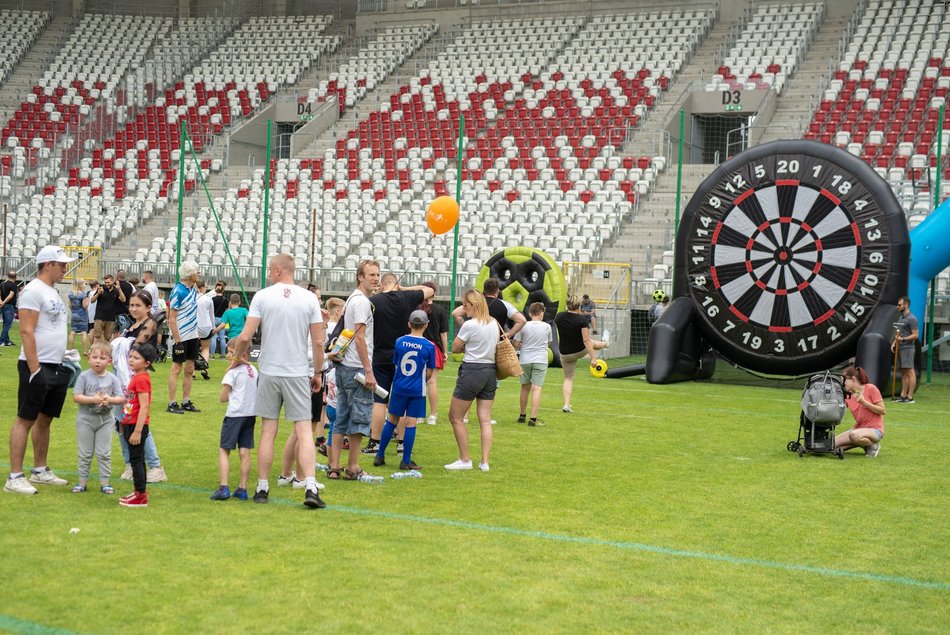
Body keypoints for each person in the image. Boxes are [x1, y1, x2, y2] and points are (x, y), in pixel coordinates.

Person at [230, 253, 326, 509]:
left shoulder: (263, 296)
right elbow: (318, 341)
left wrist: (237, 357)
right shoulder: (308, 298)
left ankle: (262, 486)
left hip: (270, 371)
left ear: (275, 271)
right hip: (297, 372)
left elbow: (245, 336)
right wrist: (317, 372)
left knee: (268, 432)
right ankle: (310, 486)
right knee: (305, 432)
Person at [5, 246, 75, 495]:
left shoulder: (51, 291)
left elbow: (52, 328)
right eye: (61, 264)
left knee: (45, 420)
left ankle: (40, 470)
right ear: (48, 265)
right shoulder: (33, 290)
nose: (65, 268)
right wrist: (35, 370)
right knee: (25, 419)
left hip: (55, 365)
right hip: (36, 366)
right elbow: (26, 330)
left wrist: (64, 354)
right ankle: (14, 477)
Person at [362, 272, 434, 456]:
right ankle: (401, 442)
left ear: (382, 283)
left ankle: (375, 442)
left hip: (380, 355)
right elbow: (429, 290)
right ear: (397, 283)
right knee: (400, 399)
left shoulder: (375, 300)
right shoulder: (407, 296)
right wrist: (404, 289)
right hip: (402, 355)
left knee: (379, 400)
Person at [327, 259, 379, 481]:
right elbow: (360, 337)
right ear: (360, 276)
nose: (375, 279)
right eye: (371, 275)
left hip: (344, 365)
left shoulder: (352, 299)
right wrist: (368, 370)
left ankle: (334, 466)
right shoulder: (362, 302)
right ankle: (353, 466)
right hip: (356, 366)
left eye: (377, 275)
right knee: (359, 419)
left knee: (342, 416)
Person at [114, 291, 166, 484]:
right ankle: (129, 463)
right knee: (121, 422)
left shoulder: (149, 325)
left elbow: (135, 348)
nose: (134, 309)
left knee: (138, 422)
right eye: (131, 305)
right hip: (121, 381)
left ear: (147, 308)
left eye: (138, 306)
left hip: (137, 382)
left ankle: (155, 466)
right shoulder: (130, 326)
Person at [374, 310, 436, 470]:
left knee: (392, 420)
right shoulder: (429, 346)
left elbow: (396, 363)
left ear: (409, 324)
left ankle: (380, 455)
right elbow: (429, 371)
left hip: (399, 387)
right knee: (410, 422)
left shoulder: (400, 341)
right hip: (416, 389)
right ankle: (406, 460)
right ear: (426, 325)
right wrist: (421, 380)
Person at [445, 290, 499, 472]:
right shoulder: (493, 323)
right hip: (490, 372)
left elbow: (456, 348)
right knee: (485, 419)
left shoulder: (470, 325)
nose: (463, 308)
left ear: (474, 305)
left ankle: (465, 459)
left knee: (455, 417)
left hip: (472, 371)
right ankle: (484, 462)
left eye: (466, 304)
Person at [71, 341, 125, 495]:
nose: (97, 361)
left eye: (102, 358)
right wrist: (92, 399)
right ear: (88, 359)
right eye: (94, 357)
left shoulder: (113, 378)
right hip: (85, 419)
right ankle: (82, 482)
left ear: (109, 361)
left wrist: (109, 400)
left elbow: (121, 398)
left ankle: (105, 483)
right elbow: (76, 396)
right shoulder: (84, 376)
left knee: (104, 453)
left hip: (106, 420)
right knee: (85, 452)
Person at [211, 340, 258, 501]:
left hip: (234, 415)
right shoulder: (253, 369)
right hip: (250, 414)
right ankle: (242, 488)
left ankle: (223, 487)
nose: (229, 355)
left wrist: (226, 385)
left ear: (242, 355)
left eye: (232, 352)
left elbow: (222, 398)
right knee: (245, 452)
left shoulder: (232, 373)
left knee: (224, 449)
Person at [118, 343, 158, 507]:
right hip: (130, 423)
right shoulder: (136, 376)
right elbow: (130, 401)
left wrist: (137, 431)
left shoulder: (141, 379)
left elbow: (144, 406)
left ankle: (140, 496)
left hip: (136, 426)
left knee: (136, 461)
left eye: (136, 358)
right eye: (131, 357)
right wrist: (123, 418)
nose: (131, 360)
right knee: (137, 460)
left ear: (146, 363)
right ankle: (137, 492)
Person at [555, 294, 609, 413]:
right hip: (579, 350)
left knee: (568, 378)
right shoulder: (582, 320)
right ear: (579, 306)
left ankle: (566, 404)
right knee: (593, 343)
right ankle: (605, 343)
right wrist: (593, 358)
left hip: (564, 353)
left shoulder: (558, 317)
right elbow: (586, 340)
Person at [166, 261, 201, 414]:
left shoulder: (193, 290)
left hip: (193, 335)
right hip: (181, 336)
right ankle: (172, 403)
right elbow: (171, 318)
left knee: (190, 368)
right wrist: (177, 340)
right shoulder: (178, 291)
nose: (198, 274)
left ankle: (186, 401)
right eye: (197, 272)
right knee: (176, 368)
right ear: (190, 274)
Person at [514, 302, 553, 427]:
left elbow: (516, 343)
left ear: (530, 313)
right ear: (542, 313)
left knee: (524, 388)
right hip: (540, 360)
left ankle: (522, 415)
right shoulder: (547, 326)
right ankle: (533, 419)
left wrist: (522, 344)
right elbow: (549, 343)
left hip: (525, 359)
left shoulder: (524, 326)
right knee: (536, 389)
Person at [452, 277, 526, 339]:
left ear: (484, 290)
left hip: (476, 340)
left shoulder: (475, 303)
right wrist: (509, 334)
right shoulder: (505, 305)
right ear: (497, 291)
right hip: (497, 343)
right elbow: (522, 320)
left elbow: (455, 313)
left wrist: (465, 327)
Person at [835, 365, 885, 457]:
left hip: (875, 430)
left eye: (844, 381)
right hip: (858, 429)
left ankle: (872, 446)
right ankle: (863, 444)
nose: (843, 384)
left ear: (853, 379)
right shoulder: (848, 395)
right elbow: (838, 410)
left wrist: (864, 403)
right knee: (832, 446)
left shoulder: (870, 388)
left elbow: (882, 411)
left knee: (854, 435)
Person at [419, 281, 448, 426]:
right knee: (432, 382)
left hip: (418, 346)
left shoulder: (416, 309)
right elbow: (443, 334)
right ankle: (433, 415)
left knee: (419, 382)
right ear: (434, 293)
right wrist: (445, 351)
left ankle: (418, 414)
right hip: (433, 348)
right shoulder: (440, 310)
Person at [892, 295, 918, 404]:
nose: (897, 307)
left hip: (908, 348)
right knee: (903, 372)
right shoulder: (901, 317)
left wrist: (902, 339)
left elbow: (915, 335)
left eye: (899, 305)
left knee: (910, 372)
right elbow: (898, 333)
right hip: (901, 348)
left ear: (906, 305)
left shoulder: (912, 318)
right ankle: (903, 395)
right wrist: (894, 342)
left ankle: (910, 397)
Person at [92, 274, 125, 344]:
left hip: (111, 318)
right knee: (97, 336)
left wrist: (119, 289)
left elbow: (123, 300)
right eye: (105, 282)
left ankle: (105, 353)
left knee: (108, 338)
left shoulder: (116, 290)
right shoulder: (101, 289)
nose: (106, 284)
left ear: (113, 281)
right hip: (99, 317)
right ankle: (94, 352)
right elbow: (92, 300)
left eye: (108, 282)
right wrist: (98, 294)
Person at [195, 280, 215, 380]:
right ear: (202, 287)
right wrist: (213, 327)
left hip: (194, 326)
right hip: (206, 326)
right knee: (205, 348)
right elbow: (211, 314)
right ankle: (204, 368)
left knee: (193, 349)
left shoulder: (192, 298)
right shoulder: (208, 299)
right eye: (206, 286)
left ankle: (193, 372)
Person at [68, 279, 90, 355]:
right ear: (81, 285)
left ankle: (70, 349)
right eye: (84, 284)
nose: (85, 285)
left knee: (72, 332)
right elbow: (84, 306)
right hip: (82, 315)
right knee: (84, 333)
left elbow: (69, 305)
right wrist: (88, 301)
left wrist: (74, 311)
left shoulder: (71, 294)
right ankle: (84, 351)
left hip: (74, 314)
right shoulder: (84, 295)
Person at [0, 270, 19, 346]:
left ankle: (7, 340)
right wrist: (4, 302)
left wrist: (1, 302)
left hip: (3, 306)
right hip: (9, 306)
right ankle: (2, 341)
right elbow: (11, 296)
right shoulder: (13, 285)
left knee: (5, 324)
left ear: (8, 276)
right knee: (8, 324)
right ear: (15, 277)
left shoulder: (2, 283)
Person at [209, 280, 228, 358]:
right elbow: (227, 311)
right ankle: (223, 355)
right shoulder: (225, 300)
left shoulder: (212, 299)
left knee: (213, 337)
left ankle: (212, 354)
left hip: (214, 319)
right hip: (222, 319)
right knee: (222, 337)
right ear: (223, 290)